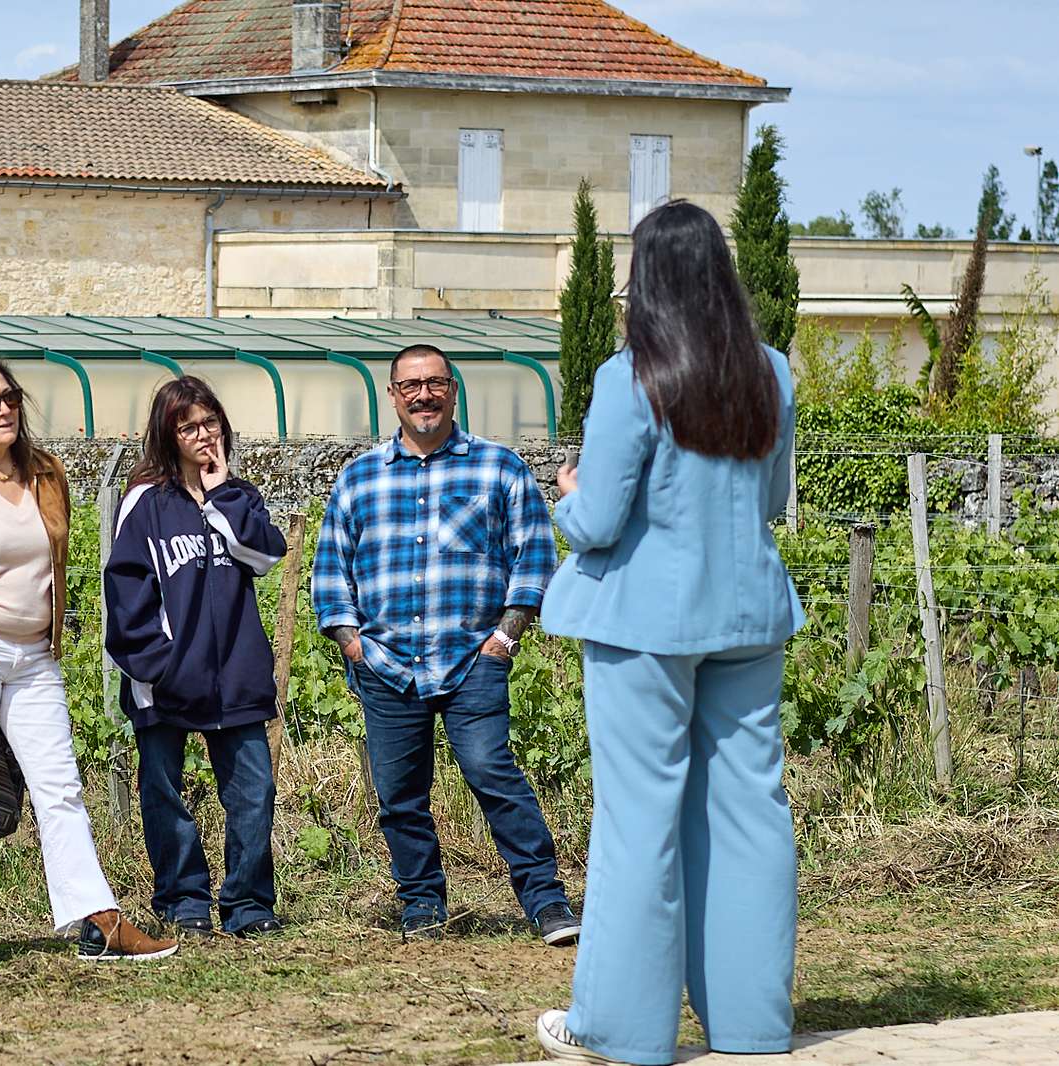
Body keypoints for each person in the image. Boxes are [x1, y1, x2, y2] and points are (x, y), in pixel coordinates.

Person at [533, 201, 804, 1065]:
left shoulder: (630, 377)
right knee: (750, 814)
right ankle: (752, 1027)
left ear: (645, 276)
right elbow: (767, 504)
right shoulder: (771, 372)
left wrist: (566, 493)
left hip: (646, 624)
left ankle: (622, 1029)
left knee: (638, 820)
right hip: (750, 614)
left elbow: (603, 521)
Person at [0, 355, 177, 966]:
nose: (4, 411)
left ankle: (97, 918)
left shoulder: (47, 474)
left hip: (33, 655)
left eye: (10, 398)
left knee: (60, 787)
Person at [311, 342, 579, 946]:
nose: (423, 395)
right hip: (386, 664)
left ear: (453, 390)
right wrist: (354, 646)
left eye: (434, 383)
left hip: (472, 659)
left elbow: (534, 557)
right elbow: (330, 572)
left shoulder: (499, 468)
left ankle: (547, 903)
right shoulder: (359, 477)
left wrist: (504, 638)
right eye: (411, 385)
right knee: (400, 795)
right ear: (393, 395)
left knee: (492, 772)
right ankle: (423, 905)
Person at [104, 376, 287, 940]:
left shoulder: (238, 495)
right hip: (164, 681)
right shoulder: (145, 502)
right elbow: (126, 589)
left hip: (236, 676)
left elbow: (264, 555)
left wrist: (224, 491)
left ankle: (249, 903)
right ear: (167, 433)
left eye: (210, 423)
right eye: (188, 426)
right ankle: (184, 899)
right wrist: (158, 665)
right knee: (164, 791)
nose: (202, 435)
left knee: (253, 791)